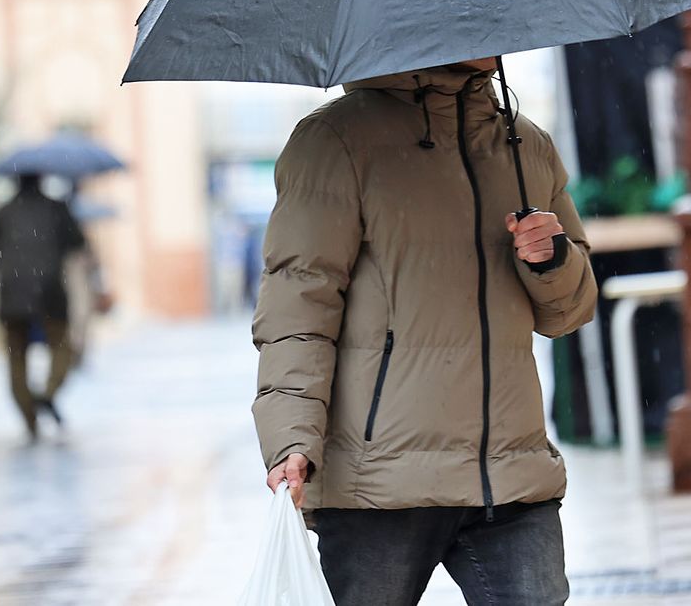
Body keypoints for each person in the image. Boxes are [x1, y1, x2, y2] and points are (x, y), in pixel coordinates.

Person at [254, 59, 597, 606]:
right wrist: (290, 438)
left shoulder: (524, 145)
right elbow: (298, 307)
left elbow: (567, 314)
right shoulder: (335, 141)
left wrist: (552, 259)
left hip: (510, 475)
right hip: (382, 486)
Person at [0, 173, 87, 441]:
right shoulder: (56, 208)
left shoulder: (2, 212)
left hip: (12, 294)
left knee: (16, 359)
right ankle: (47, 394)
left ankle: (30, 419)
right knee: (62, 349)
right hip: (50, 292)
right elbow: (78, 243)